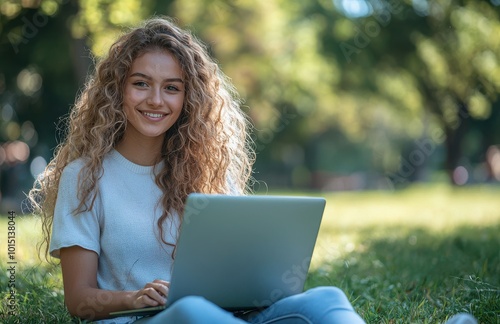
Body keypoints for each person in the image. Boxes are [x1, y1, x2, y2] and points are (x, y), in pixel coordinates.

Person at [28, 16, 367, 324]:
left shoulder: (209, 170)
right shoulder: (84, 177)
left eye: (172, 87)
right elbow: (78, 299)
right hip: (144, 320)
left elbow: (238, 266)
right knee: (191, 310)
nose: (156, 100)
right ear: (117, 90)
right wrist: (135, 298)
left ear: (188, 99)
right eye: (141, 83)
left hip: (227, 315)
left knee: (327, 298)